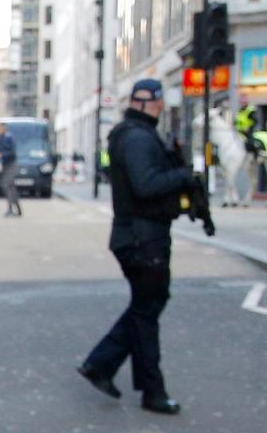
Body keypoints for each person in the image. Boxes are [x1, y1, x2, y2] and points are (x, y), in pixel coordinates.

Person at [77, 78, 193, 415]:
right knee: (147, 309)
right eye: (158, 103)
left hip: (140, 237)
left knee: (148, 305)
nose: (160, 108)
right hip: (143, 239)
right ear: (147, 102)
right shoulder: (138, 138)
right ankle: (150, 391)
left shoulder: (133, 134)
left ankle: (102, 366)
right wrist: (183, 176)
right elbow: (146, 185)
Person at [0, 122, 21, 217]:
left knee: (6, 185)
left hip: (11, 164)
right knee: (10, 187)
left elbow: (12, 152)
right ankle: (17, 209)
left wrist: (1, 154)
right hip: (4, 165)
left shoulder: (9, 138)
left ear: (4, 129)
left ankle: (12, 208)